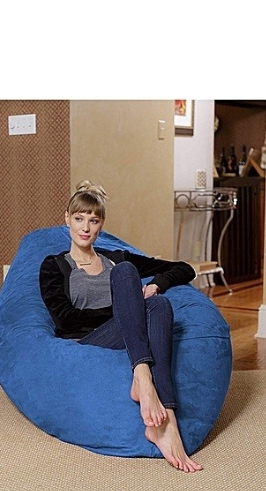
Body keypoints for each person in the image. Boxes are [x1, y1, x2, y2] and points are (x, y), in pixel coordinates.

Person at [39, 180, 202, 472]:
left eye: (93, 220)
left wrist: (156, 284)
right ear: (67, 219)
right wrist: (128, 310)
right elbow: (65, 319)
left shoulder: (115, 259)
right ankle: (143, 378)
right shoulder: (55, 265)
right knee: (134, 285)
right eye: (79, 219)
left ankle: (167, 421)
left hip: (125, 332)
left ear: (101, 224)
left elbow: (184, 268)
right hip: (88, 339)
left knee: (158, 302)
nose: (85, 228)